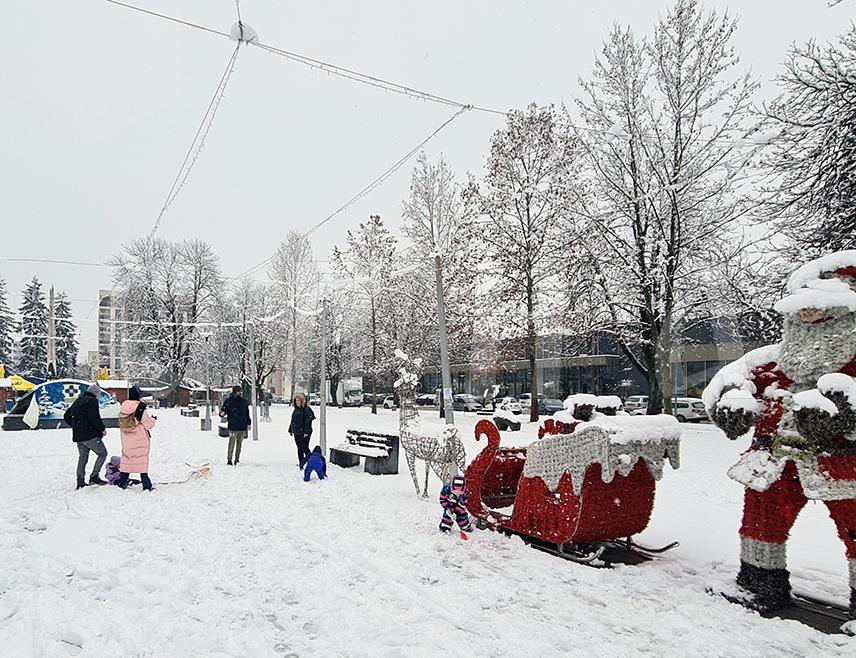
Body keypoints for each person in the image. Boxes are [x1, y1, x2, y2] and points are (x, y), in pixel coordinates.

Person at [704, 251, 856, 623]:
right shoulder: (768, 361)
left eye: (819, 306)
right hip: (771, 464)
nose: (808, 314)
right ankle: (759, 584)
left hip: (840, 465)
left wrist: (843, 417)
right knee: (760, 523)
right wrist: (731, 406)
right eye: (801, 307)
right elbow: (726, 386)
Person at [64, 383, 108, 490]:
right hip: (90, 435)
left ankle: (80, 481)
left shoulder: (78, 400)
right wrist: (102, 429)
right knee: (103, 453)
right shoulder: (92, 401)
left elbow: (66, 415)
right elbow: (94, 417)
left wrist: (76, 426)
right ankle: (94, 476)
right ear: (95, 393)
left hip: (79, 436)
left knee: (83, 457)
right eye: (98, 394)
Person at [117, 386, 156, 491]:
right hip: (139, 438)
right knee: (141, 459)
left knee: (127, 458)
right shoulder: (140, 407)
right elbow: (148, 424)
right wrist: (153, 419)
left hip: (126, 438)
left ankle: (122, 481)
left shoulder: (123, 407)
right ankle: (146, 484)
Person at [221, 385, 251, 466]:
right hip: (233, 426)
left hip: (241, 426)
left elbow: (247, 413)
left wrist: (248, 423)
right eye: (238, 391)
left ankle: (237, 459)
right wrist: (222, 413)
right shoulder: (228, 401)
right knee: (231, 443)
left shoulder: (243, 401)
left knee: (239, 445)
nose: (240, 393)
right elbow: (223, 410)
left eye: (240, 391)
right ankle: (229, 459)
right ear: (234, 392)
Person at [289, 392, 316, 468]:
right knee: (299, 448)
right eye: (296, 400)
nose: (297, 402)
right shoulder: (296, 410)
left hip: (304, 432)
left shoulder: (307, 409)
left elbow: (308, 421)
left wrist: (306, 432)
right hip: (296, 431)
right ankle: (301, 462)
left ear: (302, 401)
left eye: (298, 400)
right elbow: (293, 420)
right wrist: (290, 429)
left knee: (305, 448)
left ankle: (312, 461)